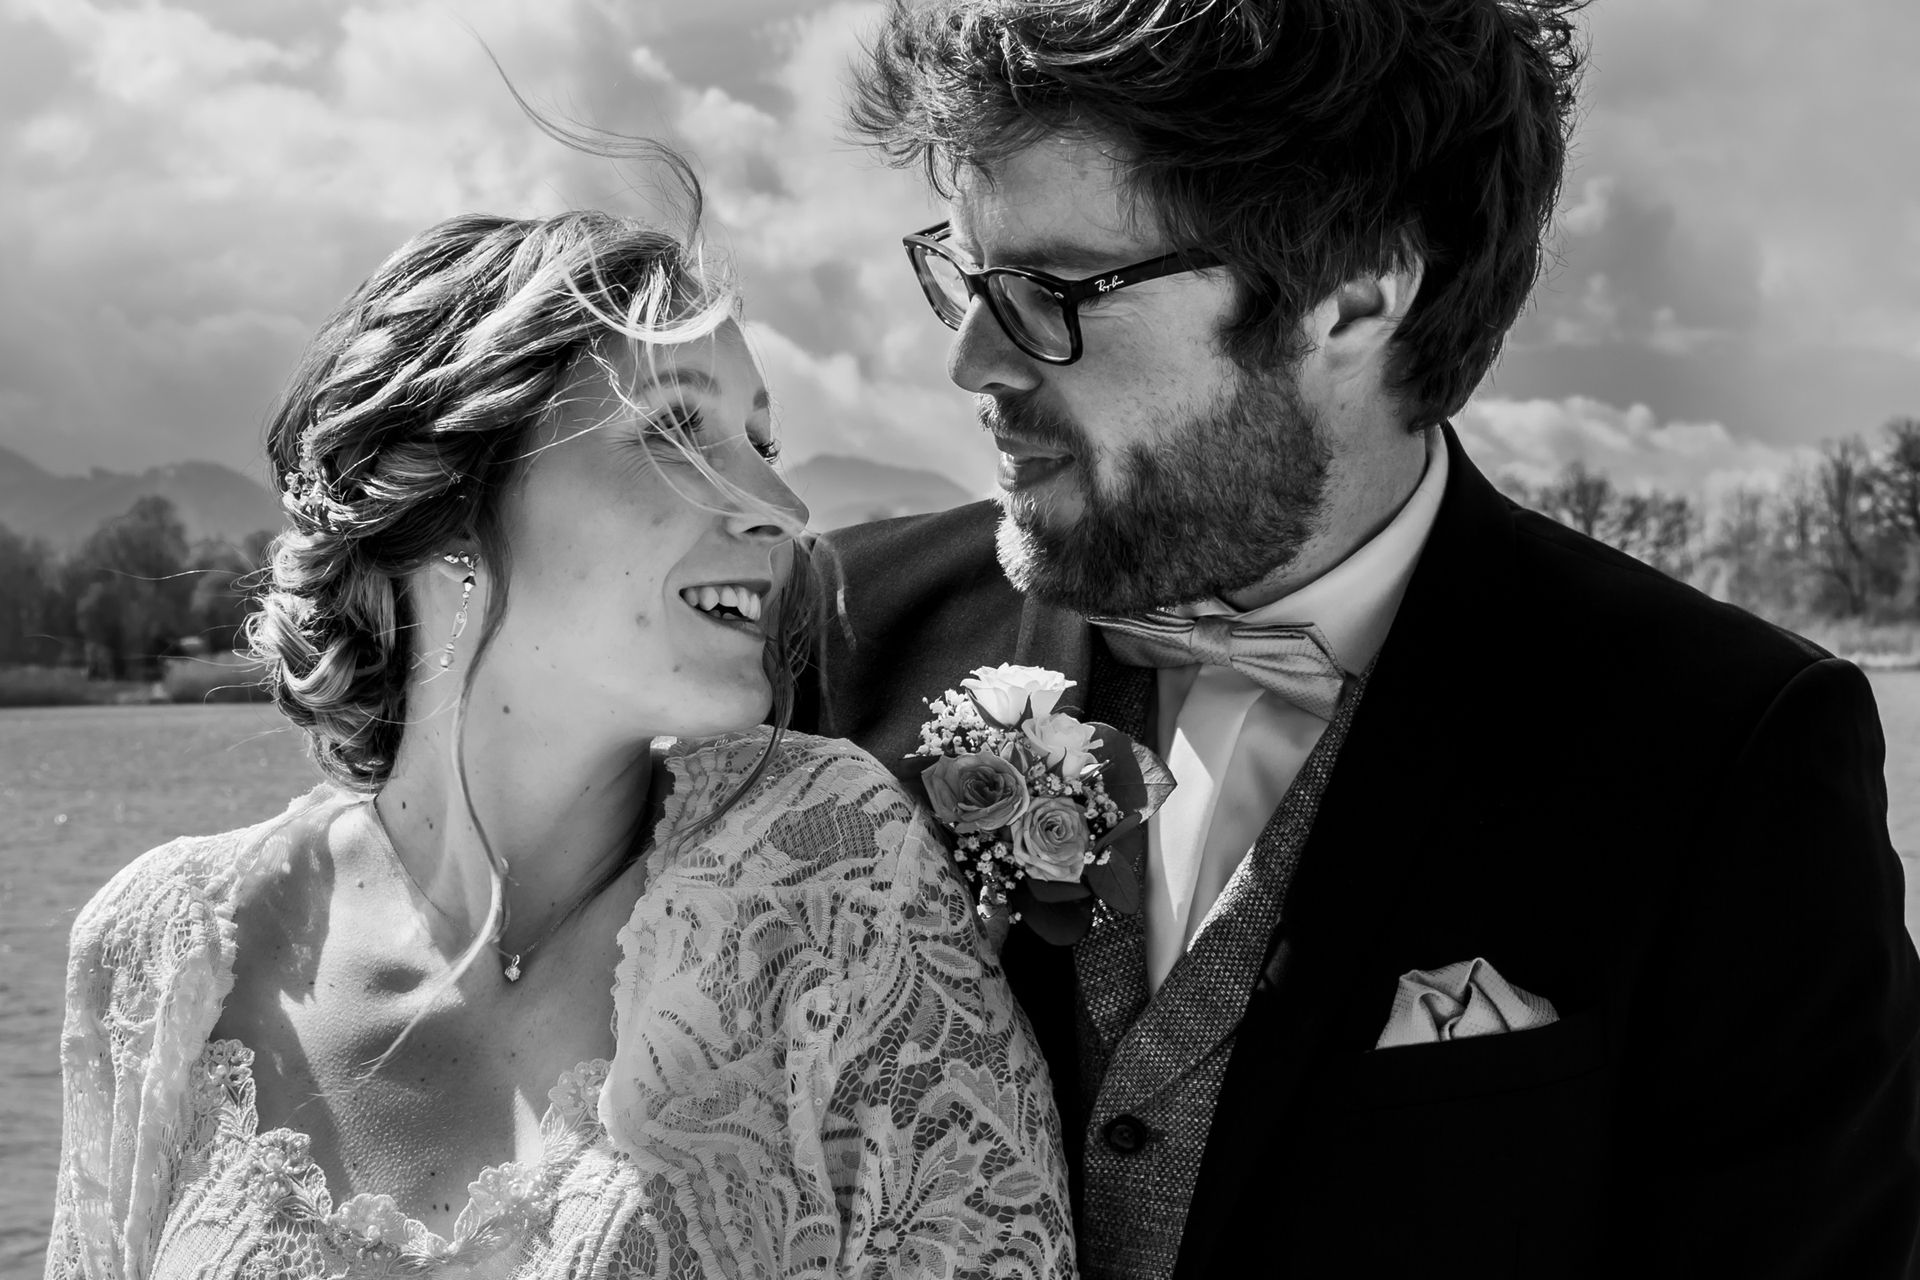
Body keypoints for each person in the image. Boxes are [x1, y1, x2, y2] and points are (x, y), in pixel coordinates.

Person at [800, 0, 1920, 1275]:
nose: (970, 362)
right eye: (965, 273)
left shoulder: (1726, 754)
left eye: (1050, 292)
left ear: (1354, 295)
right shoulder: (841, 632)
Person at [46, 173, 1072, 1278]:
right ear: (442, 497)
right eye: (676, 427)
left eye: (762, 445)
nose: (777, 508)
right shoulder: (163, 950)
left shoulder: (825, 870)